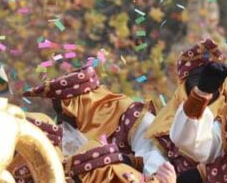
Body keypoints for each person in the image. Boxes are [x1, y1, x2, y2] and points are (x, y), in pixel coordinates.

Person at [25, 65, 165, 175]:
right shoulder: (74, 131)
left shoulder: (133, 116)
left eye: (66, 115)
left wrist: (124, 164)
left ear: (82, 104)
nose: (63, 122)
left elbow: (156, 163)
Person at [145, 39, 227, 183]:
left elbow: (208, 149)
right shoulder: (169, 115)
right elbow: (154, 158)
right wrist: (170, 181)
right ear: (184, 84)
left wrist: (203, 172)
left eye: (210, 80)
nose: (205, 85)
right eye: (198, 79)